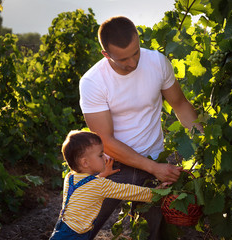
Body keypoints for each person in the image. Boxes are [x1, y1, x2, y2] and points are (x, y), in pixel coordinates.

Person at [79, 16, 203, 239]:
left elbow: (180, 104)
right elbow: (104, 139)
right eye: (123, 59)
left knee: (153, 235)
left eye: (136, 52)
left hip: (152, 164)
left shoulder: (156, 62)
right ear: (106, 55)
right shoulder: (93, 82)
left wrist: (204, 138)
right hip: (109, 168)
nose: (134, 63)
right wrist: (153, 167)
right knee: (79, 229)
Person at [50, 130, 167, 240]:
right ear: (85, 162)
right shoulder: (100, 185)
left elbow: (86, 186)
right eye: (101, 155)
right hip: (75, 236)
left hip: (61, 230)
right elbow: (127, 191)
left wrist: (103, 174)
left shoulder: (70, 178)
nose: (105, 157)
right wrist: (156, 192)